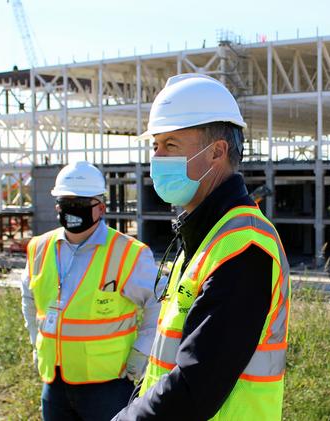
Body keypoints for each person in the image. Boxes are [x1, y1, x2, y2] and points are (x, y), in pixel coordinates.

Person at [114, 74, 290, 420]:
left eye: (171, 145)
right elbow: (166, 365)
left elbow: (196, 387)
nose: (157, 158)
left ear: (217, 152)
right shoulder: (205, 238)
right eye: (155, 146)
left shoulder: (244, 248)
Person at [21, 161, 160, 421]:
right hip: (55, 381)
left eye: (82, 203)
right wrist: (37, 343)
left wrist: (142, 352)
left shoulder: (129, 253)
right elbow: (30, 300)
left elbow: (157, 304)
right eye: (66, 202)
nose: (73, 209)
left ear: (101, 208)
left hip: (108, 384)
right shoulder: (39, 247)